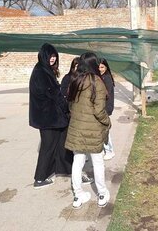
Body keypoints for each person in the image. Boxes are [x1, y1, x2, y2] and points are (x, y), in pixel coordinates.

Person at [65, 52, 111, 209]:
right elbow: (99, 111)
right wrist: (107, 122)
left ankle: (78, 195)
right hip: (93, 129)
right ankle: (102, 194)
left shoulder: (75, 80)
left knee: (77, 162)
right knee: (98, 163)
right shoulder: (97, 82)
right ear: (93, 64)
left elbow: (70, 106)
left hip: (77, 128)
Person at [29, 43, 72, 189]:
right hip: (48, 117)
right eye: (50, 56)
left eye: (54, 56)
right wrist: (66, 106)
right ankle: (39, 178)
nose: (52, 59)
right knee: (48, 146)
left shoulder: (45, 69)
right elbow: (53, 94)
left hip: (52, 116)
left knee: (61, 143)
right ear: (44, 56)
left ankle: (65, 169)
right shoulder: (41, 71)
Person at [60, 57, 94, 185]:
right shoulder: (68, 79)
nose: (76, 69)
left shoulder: (85, 79)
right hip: (71, 116)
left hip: (80, 118)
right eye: (74, 66)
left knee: (79, 151)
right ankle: (78, 179)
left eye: (78, 66)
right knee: (77, 152)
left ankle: (77, 176)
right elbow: (64, 96)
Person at [98, 58, 115, 160]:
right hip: (101, 108)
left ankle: (109, 150)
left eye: (102, 67)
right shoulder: (100, 77)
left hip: (105, 108)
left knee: (105, 130)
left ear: (106, 67)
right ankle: (105, 149)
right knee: (101, 130)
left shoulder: (107, 78)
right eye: (98, 67)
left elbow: (106, 95)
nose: (100, 69)